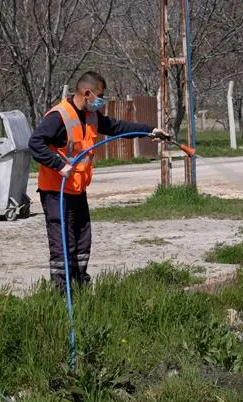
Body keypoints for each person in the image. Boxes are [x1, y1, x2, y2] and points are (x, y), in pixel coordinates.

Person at [28, 71, 170, 292]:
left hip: (77, 190)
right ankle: (61, 292)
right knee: (63, 243)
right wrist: (58, 165)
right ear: (87, 93)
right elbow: (35, 143)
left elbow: (117, 127)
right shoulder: (59, 116)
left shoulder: (92, 116)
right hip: (57, 191)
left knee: (82, 240)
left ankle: (80, 286)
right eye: (100, 95)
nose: (101, 100)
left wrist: (149, 131)